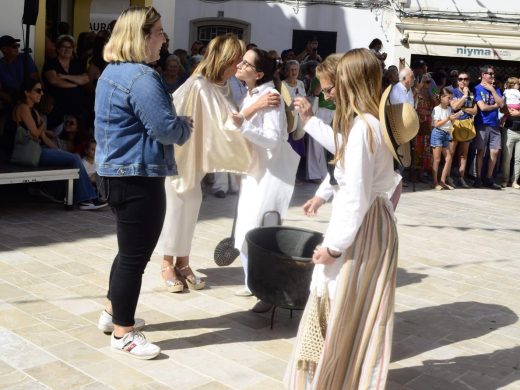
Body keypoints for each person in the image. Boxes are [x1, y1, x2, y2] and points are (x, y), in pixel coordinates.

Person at [285, 48, 403, 389]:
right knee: (357, 307)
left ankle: (332, 379)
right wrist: (323, 194)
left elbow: (355, 192)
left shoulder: (364, 127)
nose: (327, 91)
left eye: (333, 84)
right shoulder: (369, 123)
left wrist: (334, 247)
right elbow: (347, 161)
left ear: (349, 81)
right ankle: (350, 375)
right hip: (376, 223)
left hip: (364, 225)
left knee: (340, 302)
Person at [94, 6, 192, 360]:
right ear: (142, 36)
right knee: (135, 258)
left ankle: (112, 313)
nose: (164, 39)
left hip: (116, 174)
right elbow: (165, 129)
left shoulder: (111, 72)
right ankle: (123, 334)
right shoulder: (142, 77)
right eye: (160, 32)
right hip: (137, 177)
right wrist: (185, 125)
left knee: (127, 251)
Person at [157, 34, 280, 294]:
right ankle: (167, 264)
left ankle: (184, 262)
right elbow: (223, 126)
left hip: (197, 159)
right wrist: (255, 106)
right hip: (182, 158)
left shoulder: (221, 85)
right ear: (223, 59)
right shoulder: (199, 84)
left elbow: (224, 123)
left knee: (191, 206)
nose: (238, 67)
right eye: (236, 61)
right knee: (177, 207)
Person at [230, 48, 299, 300]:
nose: (239, 65)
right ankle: (253, 282)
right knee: (248, 225)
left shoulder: (270, 96)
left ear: (258, 73)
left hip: (268, 173)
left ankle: (265, 285)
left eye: (245, 63)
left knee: (260, 225)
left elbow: (272, 140)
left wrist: (244, 127)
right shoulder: (253, 94)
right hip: (253, 170)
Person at [13, 78, 107, 210]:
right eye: (38, 91)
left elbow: (43, 136)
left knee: (72, 158)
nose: (41, 94)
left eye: (42, 91)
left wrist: (58, 151)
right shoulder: (23, 108)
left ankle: (86, 198)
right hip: (28, 153)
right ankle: (86, 199)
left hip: (37, 150)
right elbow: (35, 133)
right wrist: (42, 126)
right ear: (27, 93)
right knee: (74, 158)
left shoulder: (33, 111)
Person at [42, 35, 89, 128]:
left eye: (70, 47)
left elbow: (85, 79)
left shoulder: (77, 64)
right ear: (58, 49)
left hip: (77, 107)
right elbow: (54, 80)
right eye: (64, 47)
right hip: (57, 107)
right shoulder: (51, 63)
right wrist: (76, 83)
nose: (67, 50)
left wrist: (65, 76)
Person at [473, 65, 504, 189]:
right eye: (489, 74)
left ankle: (489, 178)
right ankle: (478, 178)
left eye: (493, 74)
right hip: (482, 124)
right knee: (480, 151)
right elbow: (483, 107)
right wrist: (495, 106)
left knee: (495, 151)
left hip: (494, 124)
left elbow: (501, 104)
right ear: (483, 75)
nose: (492, 76)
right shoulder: (477, 88)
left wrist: (492, 90)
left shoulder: (495, 89)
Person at [449, 71, 477, 188]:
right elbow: (454, 106)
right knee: (451, 153)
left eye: (465, 79)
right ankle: (447, 177)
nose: (462, 81)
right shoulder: (453, 92)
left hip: (466, 125)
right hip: (455, 125)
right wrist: (464, 98)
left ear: (468, 81)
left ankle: (461, 178)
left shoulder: (471, 93)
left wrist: (463, 107)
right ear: (457, 81)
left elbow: (475, 111)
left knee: (463, 155)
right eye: (460, 79)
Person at [430, 87, 462, 190]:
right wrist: (448, 118)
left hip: (446, 134)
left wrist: (453, 119)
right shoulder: (437, 109)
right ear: (441, 98)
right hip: (438, 133)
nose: (450, 100)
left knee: (448, 158)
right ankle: (435, 182)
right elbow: (436, 124)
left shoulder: (449, 109)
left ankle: (442, 181)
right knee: (437, 159)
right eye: (448, 98)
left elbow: (449, 123)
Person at [0, 35, 38, 103]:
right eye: (14, 46)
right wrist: (12, 100)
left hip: (29, 95)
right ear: (4, 49)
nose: (17, 48)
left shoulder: (25, 57)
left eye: (18, 45)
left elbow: (35, 78)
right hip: (11, 98)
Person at [501, 77, 520, 189]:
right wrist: (508, 110)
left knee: (518, 159)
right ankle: (505, 180)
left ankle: (514, 181)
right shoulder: (507, 95)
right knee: (507, 158)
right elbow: (501, 109)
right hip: (509, 130)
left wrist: (518, 113)